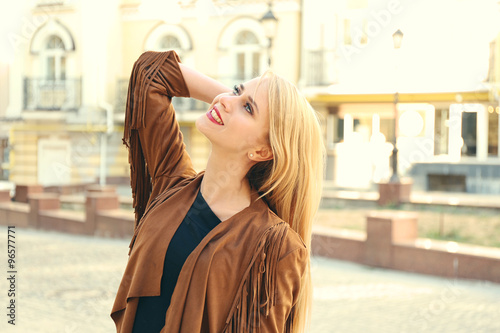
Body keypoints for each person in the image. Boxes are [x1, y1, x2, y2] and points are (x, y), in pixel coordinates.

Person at [111, 50, 324, 333]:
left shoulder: (274, 247)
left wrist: (262, 106)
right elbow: (151, 75)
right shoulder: (172, 183)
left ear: (262, 150)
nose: (225, 101)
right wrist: (239, 101)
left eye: (247, 108)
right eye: (236, 90)